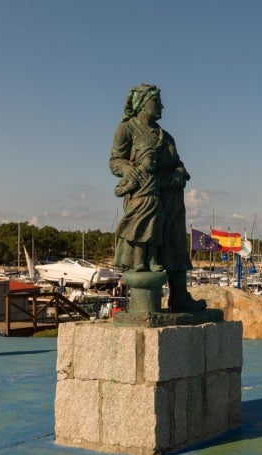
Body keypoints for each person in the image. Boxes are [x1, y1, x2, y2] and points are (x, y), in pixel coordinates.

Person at [109, 84, 205, 312]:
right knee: (145, 242)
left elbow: (178, 163)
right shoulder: (127, 129)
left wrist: (180, 173)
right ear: (142, 103)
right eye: (157, 101)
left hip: (171, 197)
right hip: (144, 196)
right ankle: (146, 303)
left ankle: (179, 296)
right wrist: (127, 169)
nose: (161, 106)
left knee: (175, 243)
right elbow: (115, 161)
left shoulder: (167, 136)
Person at [113, 147, 163, 272]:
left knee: (154, 236)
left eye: (156, 160)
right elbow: (117, 191)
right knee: (140, 236)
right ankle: (139, 262)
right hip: (139, 208)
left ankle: (152, 261)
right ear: (141, 159)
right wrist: (129, 186)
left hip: (155, 209)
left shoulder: (155, 176)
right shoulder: (133, 174)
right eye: (151, 159)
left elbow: (167, 183)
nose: (154, 162)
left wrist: (180, 174)